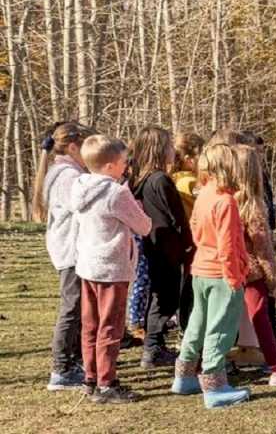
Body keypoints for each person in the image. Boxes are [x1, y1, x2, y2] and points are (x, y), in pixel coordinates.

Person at [70, 135, 152, 403]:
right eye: (123, 163)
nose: (126, 167)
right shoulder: (116, 192)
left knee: (90, 326)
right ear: (109, 166)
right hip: (112, 267)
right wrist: (138, 209)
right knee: (111, 326)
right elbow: (144, 226)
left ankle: (91, 378)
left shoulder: (79, 185)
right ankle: (107, 383)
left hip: (88, 264)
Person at [170, 143, 252, 408]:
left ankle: (183, 377)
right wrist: (234, 276)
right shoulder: (225, 201)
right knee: (220, 329)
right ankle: (215, 387)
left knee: (197, 323)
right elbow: (228, 244)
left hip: (201, 269)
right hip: (221, 274)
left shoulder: (204, 193)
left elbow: (194, 226)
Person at [232, 144, 276, 385]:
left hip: (226, 269)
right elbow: (263, 249)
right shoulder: (253, 206)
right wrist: (272, 280)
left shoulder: (223, 200)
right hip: (251, 272)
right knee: (260, 317)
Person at [32, 122, 95, 391]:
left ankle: (73, 360)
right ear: (72, 147)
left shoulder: (65, 171)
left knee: (78, 307)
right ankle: (61, 369)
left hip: (70, 248)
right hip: (70, 250)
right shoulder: (67, 175)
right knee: (71, 308)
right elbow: (83, 207)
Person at [129, 126, 193, 368]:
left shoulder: (141, 179)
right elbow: (176, 217)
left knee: (160, 296)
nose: (172, 151)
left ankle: (154, 345)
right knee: (165, 298)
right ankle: (153, 348)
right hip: (167, 247)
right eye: (168, 146)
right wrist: (187, 245)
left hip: (153, 245)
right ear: (158, 149)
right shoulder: (160, 179)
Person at [171, 132, 205, 334]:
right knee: (190, 285)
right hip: (194, 238)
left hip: (186, 239)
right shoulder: (189, 183)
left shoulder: (175, 179)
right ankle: (187, 324)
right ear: (189, 159)